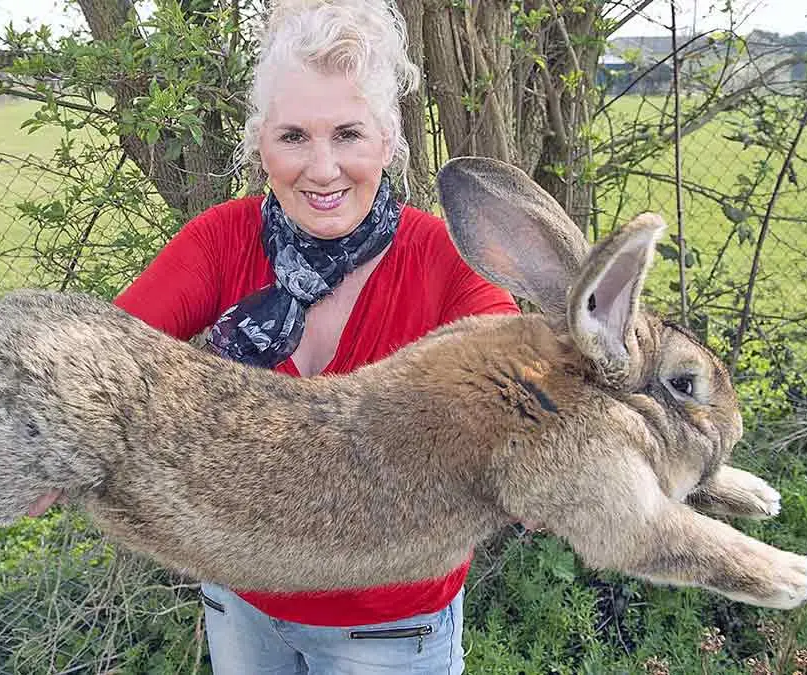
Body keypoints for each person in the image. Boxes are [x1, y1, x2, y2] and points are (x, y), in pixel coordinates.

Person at [112, 0, 519, 671]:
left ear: (388, 141)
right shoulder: (221, 242)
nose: (322, 168)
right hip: (241, 600)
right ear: (261, 143)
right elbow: (97, 360)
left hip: (390, 629)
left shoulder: (443, 260)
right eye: (295, 136)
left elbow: (520, 390)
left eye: (349, 135)